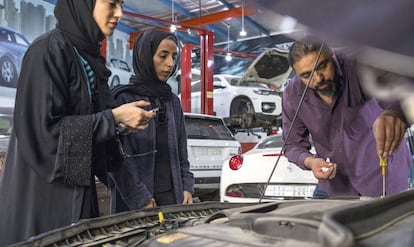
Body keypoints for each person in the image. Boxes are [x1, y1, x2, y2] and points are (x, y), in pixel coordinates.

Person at [0, 0, 156, 245]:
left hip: (78, 194)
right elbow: (46, 135)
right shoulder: (48, 51)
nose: (119, 14)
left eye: (121, 4)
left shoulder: (86, 57)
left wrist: (116, 125)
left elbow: (88, 126)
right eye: (111, 4)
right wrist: (112, 118)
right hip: (44, 202)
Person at [282, 36, 411, 198]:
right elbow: (292, 145)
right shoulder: (293, 95)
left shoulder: (359, 65)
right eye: (307, 75)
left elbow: (403, 93)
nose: (318, 78)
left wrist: (395, 113)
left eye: (322, 66)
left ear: (331, 54)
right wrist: (311, 162)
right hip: (335, 186)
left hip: (383, 179)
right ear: (297, 74)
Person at [108, 29, 194, 213]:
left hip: (172, 197)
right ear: (145, 56)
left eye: (173, 57)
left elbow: (181, 148)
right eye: (163, 56)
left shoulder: (172, 101)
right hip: (135, 202)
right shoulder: (123, 99)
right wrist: (139, 197)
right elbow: (116, 157)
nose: (170, 64)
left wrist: (186, 185)